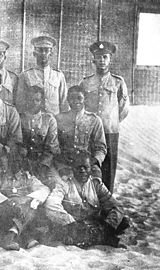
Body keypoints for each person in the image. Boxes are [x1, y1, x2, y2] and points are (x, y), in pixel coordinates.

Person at [45, 150, 129, 248]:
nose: (82, 171)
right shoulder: (64, 184)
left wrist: (106, 227)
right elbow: (51, 204)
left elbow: (116, 206)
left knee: (123, 221)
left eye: (85, 167)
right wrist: (71, 223)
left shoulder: (96, 184)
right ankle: (101, 239)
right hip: (75, 226)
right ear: (72, 168)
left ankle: (97, 237)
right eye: (78, 167)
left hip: (95, 224)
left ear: (91, 169)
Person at [79, 41, 129, 193]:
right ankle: (91, 196)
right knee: (90, 163)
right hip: (90, 131)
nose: (102, 61)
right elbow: (80, 104)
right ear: (93, 60)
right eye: (98, 57)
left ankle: (107, 197)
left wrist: (112, 120)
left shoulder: (118, 82)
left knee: (109, 166)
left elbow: (124, 108)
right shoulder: (86, 82)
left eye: (105, 57)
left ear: (110, 60)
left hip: (110, 131)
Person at [0, 148, 50, 251]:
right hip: (5, 212)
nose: (16, 163)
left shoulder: (28, 178)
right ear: (7, 160)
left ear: (23, 162)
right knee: (22, 211)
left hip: (23, 211)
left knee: (30, 207)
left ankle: (11, 236)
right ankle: (26, 237)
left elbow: (44, 189)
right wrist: (7, 201)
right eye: (12, 159)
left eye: (19, 160)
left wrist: (25, 200)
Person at [55, 86, 106, 179]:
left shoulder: (94, 120)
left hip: (87, 164)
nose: (76, 102)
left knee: (96, 180)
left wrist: (93, 161)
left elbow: (101, 148)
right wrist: (61, 159)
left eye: (79, 98)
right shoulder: (59, 119)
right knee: (63, 182)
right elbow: (54, 145)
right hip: (65, 163)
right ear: (67, 100)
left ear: (85, 99)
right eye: (72, 98)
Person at [19, 85, 60, 190]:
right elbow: (17, 142)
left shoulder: (49, 120)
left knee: (56, 184)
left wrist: (43, 165)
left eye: (37, 100)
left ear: (42, 102)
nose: (34, 103)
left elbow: (52, 147)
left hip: (44, 164)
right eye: (30, 99)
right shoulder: (20, 118)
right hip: (24, 162)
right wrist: (24, 162)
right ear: (26, 100)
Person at [16, 35, 68, 115]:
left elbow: (64, 103)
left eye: (47, 50)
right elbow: (20, 103)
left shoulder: (58, 76)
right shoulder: (25, 75)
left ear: (51, 53)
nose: (43, 53)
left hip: (55, 121)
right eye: (40, 50)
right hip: (33, 121)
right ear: (34, 53)